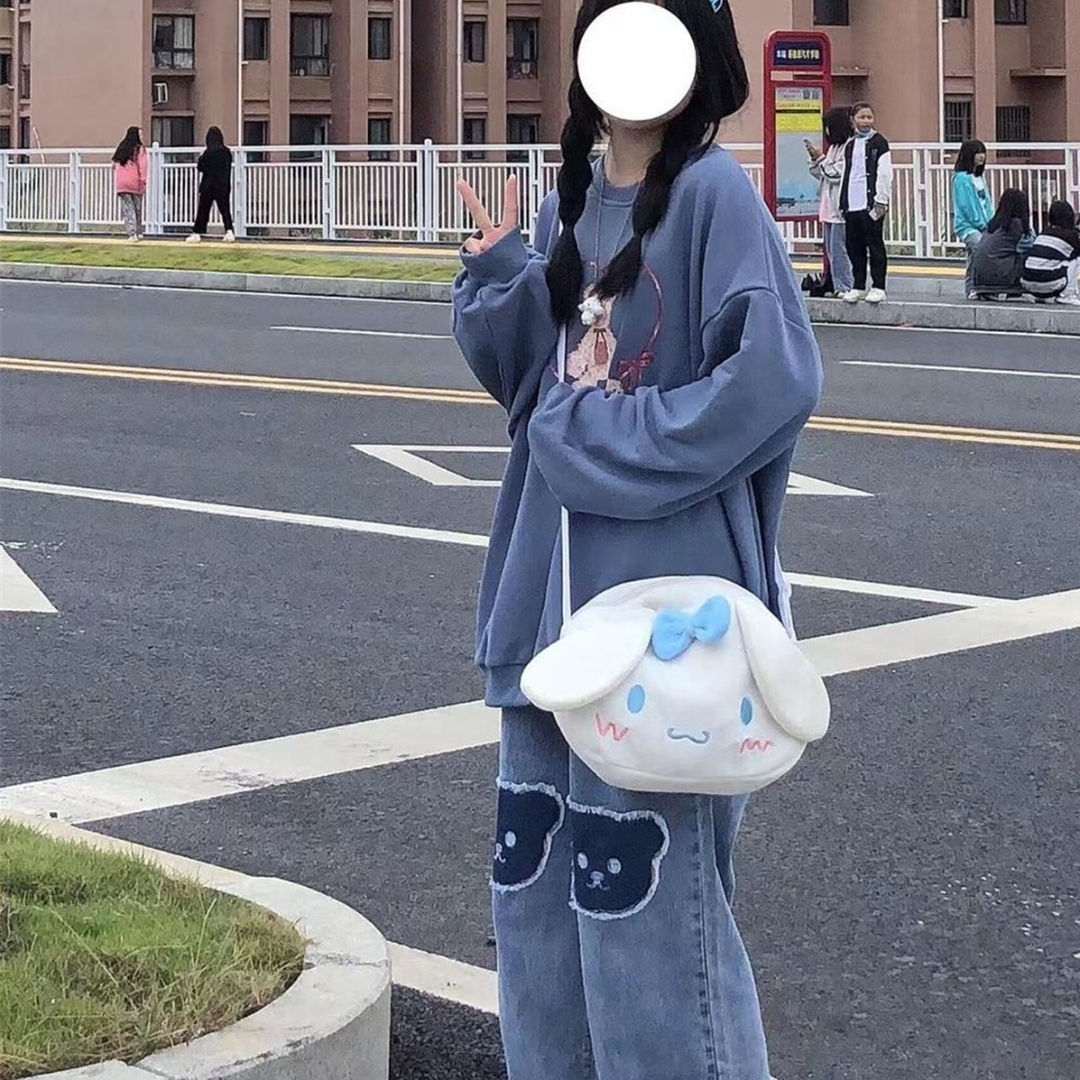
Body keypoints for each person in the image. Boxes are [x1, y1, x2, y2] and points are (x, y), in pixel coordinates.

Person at [452, 1, 822, 1077]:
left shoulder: (712, 195)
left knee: (652, 935)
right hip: (548, 617)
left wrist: (604, 435)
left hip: (663, 635)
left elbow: (775, 381)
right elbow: (538, 400)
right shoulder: (573, 201)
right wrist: (502, 278)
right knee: (537, 913)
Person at [839, 101, 893, 304]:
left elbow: (885, 173)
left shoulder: (879, 142)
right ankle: (858, 285)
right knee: (854, 246)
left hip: (872, 202)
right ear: (853, 120)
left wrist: (881, 199)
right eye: (862, 117)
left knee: (875, 243)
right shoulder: (850, 144)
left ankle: (878, 286)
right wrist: (843, 202)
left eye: (869, 117)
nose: (866, 121)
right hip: (852, 202)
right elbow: (846, 173)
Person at [807, 105, 855, 298]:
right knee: (831, 250)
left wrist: (821, 159)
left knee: (839, 250)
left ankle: (845, 286)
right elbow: (821, 173)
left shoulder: (849, 147)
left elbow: (836, 174)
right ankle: (838, 285)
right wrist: (815, 159)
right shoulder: (834, 148)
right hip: (828, 209)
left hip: (841, 210)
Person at [971, 188, 1036, 300]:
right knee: (1030, 258)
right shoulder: (1016, 225)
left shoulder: (994, 223)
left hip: (979, 279)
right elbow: (1031, 247)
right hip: (999, 277)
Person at [952, 139, 993, 300]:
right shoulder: (961, 178)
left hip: (984, 225)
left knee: (974, 257)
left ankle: (971, 289)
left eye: (983, 152)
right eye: (977, 153)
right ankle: (977, 287)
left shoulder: (980, 177)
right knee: (981, 250)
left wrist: (991, 222)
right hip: (967, 226)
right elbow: (966, 206)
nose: (982, 156)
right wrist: (982, 225)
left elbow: (987, 202)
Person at [1020, 200, 1080, 306]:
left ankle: (1041, 296)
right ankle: (1067, 295)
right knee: (1076, 260)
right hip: (1049, 283)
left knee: (1053, 262)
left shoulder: (1043, 234)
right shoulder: (1071, 236)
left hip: (1027, 283)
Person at [187, 126, 235, 243]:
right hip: (223, 186)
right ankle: (229, 231)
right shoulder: (226, 153)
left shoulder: (208, 153)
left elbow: (200, 167)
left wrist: (201, 157)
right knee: (225, 209)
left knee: (203, 210)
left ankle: (197, 232)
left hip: (208, 186)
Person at [112, 126, 148, 241]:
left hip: (122, 183)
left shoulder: (121, 149)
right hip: (135, 182)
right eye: (140, 135)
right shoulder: (139, 149)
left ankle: (132, 233)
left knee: (128, 209)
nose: (142, 137)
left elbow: (114, 165)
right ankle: (139, 231)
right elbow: (143, 166)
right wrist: (143, 181)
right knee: (137, 208)